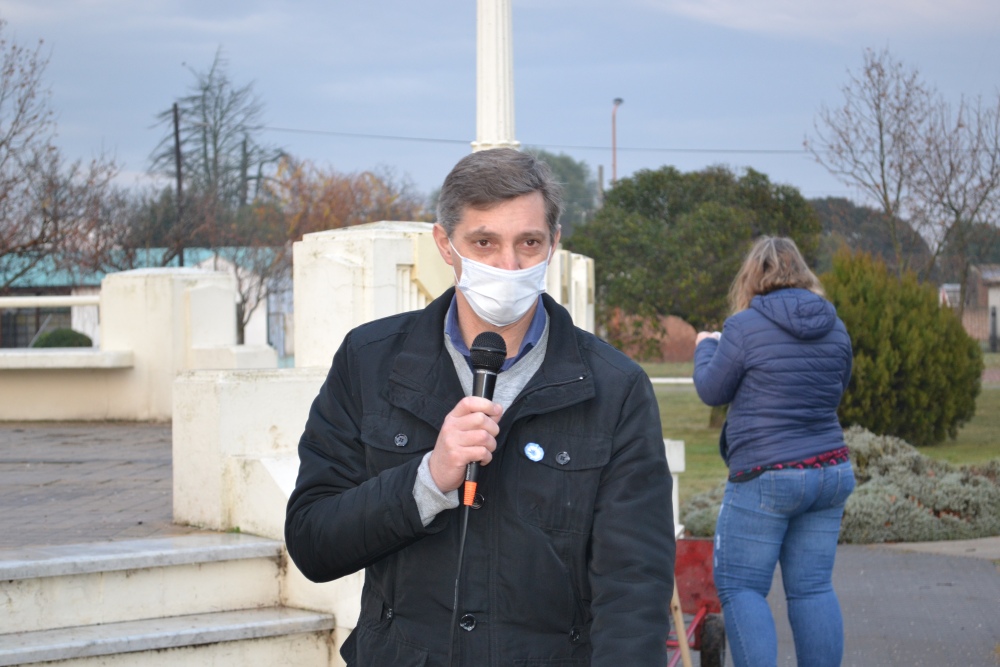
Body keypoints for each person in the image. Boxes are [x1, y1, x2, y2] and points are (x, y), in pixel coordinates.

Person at [285, 148, 675, 666]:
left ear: (554, 243)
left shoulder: (615, 387)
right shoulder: (369, 360)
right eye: (485, 242)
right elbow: (314, 542)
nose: (508, 265)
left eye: (529, 243)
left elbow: (634, 588)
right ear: (446, 244)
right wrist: (427, 479)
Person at [692, 236, 855, 667]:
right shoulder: (835, 326)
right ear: (802, 272)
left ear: (753, 276)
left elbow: (712, 389)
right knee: (813, 587)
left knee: (742, 587)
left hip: (767, 474)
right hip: (830, 469)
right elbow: (837, 387)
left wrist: (705, 345)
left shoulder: (743, 327)